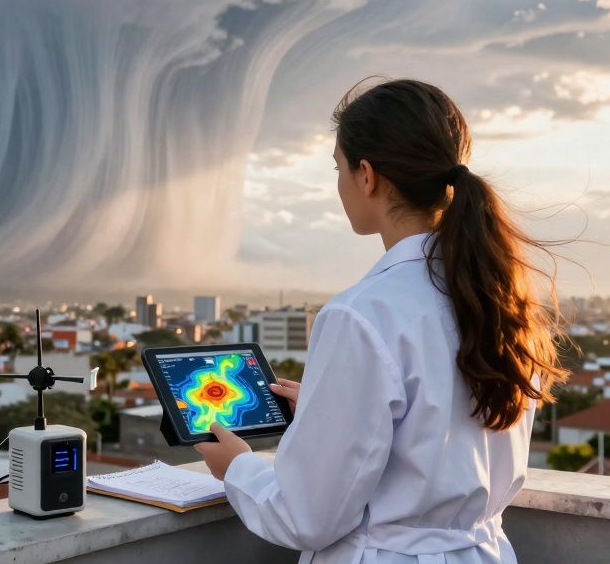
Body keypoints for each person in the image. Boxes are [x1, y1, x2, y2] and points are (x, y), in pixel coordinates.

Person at [195, 78, 568, 563]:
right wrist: (329, 411)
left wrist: (238, 469)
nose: (339, 183)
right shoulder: (502, 301)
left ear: (367, 175)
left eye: (339, 168)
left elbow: (306, 516)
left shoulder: (360, 314)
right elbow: (441, 431)